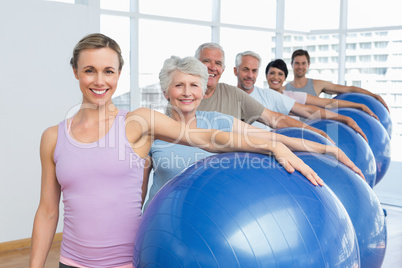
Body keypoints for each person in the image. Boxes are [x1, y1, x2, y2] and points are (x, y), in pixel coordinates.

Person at [29, 34, 330, 268]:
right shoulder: (53, 137)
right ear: (75, 72)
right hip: (70, 261)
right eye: (89, 70)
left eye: (108, 71)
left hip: (130, 260)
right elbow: (47, 212)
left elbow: (210, 137)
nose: (99, 80)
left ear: (118, 74)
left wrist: (273, 144)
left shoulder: (139, 121)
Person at [143, 55, 364, 208]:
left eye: (194, 85)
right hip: (161, 228)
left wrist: (327, 149)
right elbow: (138, 192)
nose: (187, 93)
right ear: (166, 92)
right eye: (179, 85)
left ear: (202, 91)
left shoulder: (220, 122)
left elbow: (270, 136)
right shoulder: (152, 132)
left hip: (210, 225)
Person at [193, 42, 333, 142]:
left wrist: (316, 133)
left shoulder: (235, 95)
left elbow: (276, 119)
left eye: (217, 63)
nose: (212, 67)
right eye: (207, 61)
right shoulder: (181, 96)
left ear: (223, 69)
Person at [233, 51, 368, 141]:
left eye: (254, 70)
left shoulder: (273, 96)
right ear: (236, 71)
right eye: (245, 70)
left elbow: (311, 108)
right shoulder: (225, 95)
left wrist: (345, 118)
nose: (250, 75)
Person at [266, 59, 379, 120]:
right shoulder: (259, 95)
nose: (276, 77)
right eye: (272, 73)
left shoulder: (293, 95)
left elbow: (328, 103)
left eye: (280, 74)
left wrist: (359, 105)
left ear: (285, 77)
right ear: (266, 76)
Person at [285, 49, 390, 111]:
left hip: (316, 131)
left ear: (308, 65)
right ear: (292, 65)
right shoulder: (284, 90)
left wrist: (374, 96)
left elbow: (349, 89)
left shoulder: (317, 84)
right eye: (297, 63)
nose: (300, 67)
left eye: (303, 63)